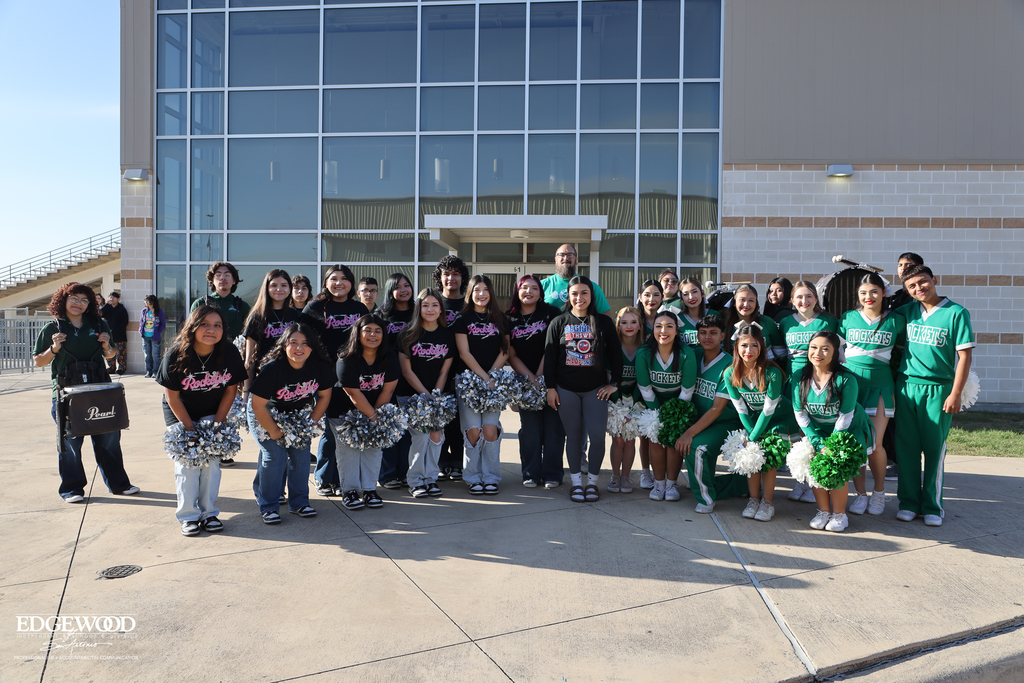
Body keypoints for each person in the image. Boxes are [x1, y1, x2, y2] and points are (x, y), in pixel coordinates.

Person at [33, 283, 138, 503]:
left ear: (90, 304)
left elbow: (110, 356)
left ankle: (119, 484)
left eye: (84, 300)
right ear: (63, 299)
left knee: (109, 438)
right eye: (74, 298)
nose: (78, 303)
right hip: (66, 393)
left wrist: (107, 346)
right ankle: (72, 489)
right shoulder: (53, 327)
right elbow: (38, 361)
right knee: (70, 442)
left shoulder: (99, 324)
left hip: (99, 390)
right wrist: (54, 348)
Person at [893, 265, 974, 527]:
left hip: (939, 389)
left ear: (934, 279)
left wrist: (956, 393)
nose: (919, 288)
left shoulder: (956, 313)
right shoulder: (907, 312)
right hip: (906, 387)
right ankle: (908, 503)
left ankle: (932, 505)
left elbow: (964, 356)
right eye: (912, 286)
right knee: (906, 449)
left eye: (923, 282)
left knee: (934, 449)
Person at [157, 305, 245, 536]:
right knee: (187, 464)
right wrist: (189, 428)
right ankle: (188, 516)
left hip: (212, 411)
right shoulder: (176, 353)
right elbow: (172, 396)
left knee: (210, 464)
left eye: (217, 325)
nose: (211, 330)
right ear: (193, 326)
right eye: (205, 324)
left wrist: (217, 424)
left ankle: (209, 513)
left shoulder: (229, 352)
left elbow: (230, 390)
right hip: (180, 411)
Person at [545, 275, 622, 503]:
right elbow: (549, 359)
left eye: (584, 293)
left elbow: (616, 357)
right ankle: (576, 484)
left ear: (592, 295)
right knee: (574, 437)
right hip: (566, 389)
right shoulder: (559, 322)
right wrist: (551, 388)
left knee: (598, 437)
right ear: (568, 296)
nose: (579, 298)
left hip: (595, 390)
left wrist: (614, 384)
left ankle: (592, 484)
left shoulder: (604, 323)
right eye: (575, 293)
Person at [248, 323, 334, 524]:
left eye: (305, 343)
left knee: (302, 457)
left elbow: (324, 396)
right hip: (265, 414)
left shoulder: (320, 367)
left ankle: (299, 503)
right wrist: (274, 431)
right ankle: (268, 506)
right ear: (284, 345)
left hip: (297, 416)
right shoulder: (273, 369)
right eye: (293, 342)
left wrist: (311, 422)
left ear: (312, 347)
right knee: (274, 456)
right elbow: (258, 405)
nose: (299, 348)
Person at [838, 273, 906, 516]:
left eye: (874, 291)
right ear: (858, 295)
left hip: (880, 384)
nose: (869, 297)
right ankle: (860, 495)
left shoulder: (896, 320)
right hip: (853, 385)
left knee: (875, 444)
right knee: (856, 442)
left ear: (884, 292)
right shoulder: (847, 318)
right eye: (864, 292)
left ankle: (879, 493)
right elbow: (836, 351)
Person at [794, 331, 876, 533]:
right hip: (817, 430)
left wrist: (831, 445)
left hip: (848, 429)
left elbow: (846, 416)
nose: (818, 353)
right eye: (813, 347)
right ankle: (823, 511)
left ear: (834, 352)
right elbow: (800, 414)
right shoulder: (799, 377)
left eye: (825, 348)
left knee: (835, 463)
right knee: (812, 461)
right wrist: (818, 443)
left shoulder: (846, 379)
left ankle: (840, 514)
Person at [299, 265, 369, 496]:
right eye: (334, 279)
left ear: (351, 283)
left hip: (351, 376)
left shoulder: (359, 308)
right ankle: (323, 477)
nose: (339, 283)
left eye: (344, 279)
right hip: (325, 376)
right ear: (326, 283)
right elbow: (301, 338)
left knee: (346, 427)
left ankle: (341, 479)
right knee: (330, 430)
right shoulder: (315, 307)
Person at [674, 315, 749, 513]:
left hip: (724, 422)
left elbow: (717, 408)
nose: (707, 337)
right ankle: (737, 486)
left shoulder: (729, 364)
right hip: (700, 420)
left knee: (696, 447)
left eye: (713, 333)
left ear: (722, 336)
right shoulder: (693, 355)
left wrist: (689, 433)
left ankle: (706, 498)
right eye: (703, 332)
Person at [723, 324, 798, 521]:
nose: (749, 351)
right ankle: (753, 499)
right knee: (751, 456)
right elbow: (741, 409)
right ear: (736, 348)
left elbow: (768, 410)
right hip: (753, 421)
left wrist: (753, 438)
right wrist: (749, 435)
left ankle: (767, 502)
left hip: (779, 418)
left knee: (768, 458)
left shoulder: (772, 372)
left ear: (762, 347)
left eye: (754, 346)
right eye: (744, 346)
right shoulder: (730, 374)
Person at [330, 314, 400, 510]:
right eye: (367, 330)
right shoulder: (346, 358)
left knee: (374, 448)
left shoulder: (390, 357)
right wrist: (373, 417)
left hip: (375, 408)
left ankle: (370, 490)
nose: (373, 335)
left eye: (378, 331)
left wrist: (375, 418)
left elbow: (388, 389)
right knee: (349, 452)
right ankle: (350, 492)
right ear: (357, 333)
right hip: (343, 412)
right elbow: (353, 393)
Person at [451, 275, 510, 495]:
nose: (481, 294)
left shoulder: (501, 319)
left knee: (490, 430)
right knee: (473, 431)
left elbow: (506, 350)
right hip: (468, 381)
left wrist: (492, 376)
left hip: (494, 381)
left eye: (485, 290)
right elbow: (464, 352)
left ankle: (491, 476)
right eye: (477, 290)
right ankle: (473, 476)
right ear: (470, 293)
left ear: (491, 293)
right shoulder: (461, 319)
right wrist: (484, 378)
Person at [506, 274, 565, 488]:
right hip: (525, 382)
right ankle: (530, 473)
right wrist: (530, 378)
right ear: (517, 291)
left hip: (551, 380)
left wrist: (541, 376)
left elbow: (553, 347)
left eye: (534, 288)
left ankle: (552, 474)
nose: (529, 291)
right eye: (524, 287)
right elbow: (510, 353)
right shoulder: (509, 318)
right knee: (530, 430)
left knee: (553, 429)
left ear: (541, 292)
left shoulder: (551, 313)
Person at [397, 290, 456, 498]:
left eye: (434, 305)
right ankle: (415, 481)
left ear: (441, 308)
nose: (430, 309)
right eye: (425, 305)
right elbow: (406, 371)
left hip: (438, 395)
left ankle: (430, 478)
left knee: (436, 436)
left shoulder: (447, 335)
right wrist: (425, 395)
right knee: (421, 437)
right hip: (411, 396)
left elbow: (444, 370)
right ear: (418, 308)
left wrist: (436, 395)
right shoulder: (407, 334)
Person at [241, 270, 301, 471]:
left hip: (290, 385)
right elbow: (249, 359)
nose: (279, 289)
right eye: (274, 285)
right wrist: (247, 390)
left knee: (284, 443)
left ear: (289, 289)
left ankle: (271, 486)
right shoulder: (257, 316)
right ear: (266, 288)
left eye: (284, 285)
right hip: (264, 386)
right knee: (269, 442)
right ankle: (266, 488)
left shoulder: (296, 316)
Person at [635, 310, 697, 502]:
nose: (664, 330)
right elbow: (645, 387)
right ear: (653, 329)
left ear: (677, 330)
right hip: (652, 403)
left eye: (669, 326)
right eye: (659, 326)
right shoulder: (644, 353)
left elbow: (687, 390)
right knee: (655, 439)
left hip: (679, 405)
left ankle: (671, 483)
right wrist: (658, 415)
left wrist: (672, 417)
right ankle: (659, 482)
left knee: (672, 441)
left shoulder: (687, 353)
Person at [432, 255, 470, 480]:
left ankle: (458, 460)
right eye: (446, 273)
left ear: (462, 277)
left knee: (459, 420)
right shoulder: (433, 303)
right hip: (435, 370)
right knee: (438, 417)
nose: (451, 278)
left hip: (464, 371)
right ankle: (440, 460)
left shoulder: (469, 304)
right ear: (440, 278)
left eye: (456, 273)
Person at [377, 272, 415, 489]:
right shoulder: (382, 315)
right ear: (390, 290)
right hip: (388, 379)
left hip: (414, 377)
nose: (403, 289)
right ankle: (388, 474)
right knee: (390, 427)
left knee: (410, 430)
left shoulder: (419, 313)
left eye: (407, 285)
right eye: (398, 286)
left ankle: (405, 473)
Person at [608, 306, 643, 493]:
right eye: (624, 322)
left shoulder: (645, 347)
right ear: (618, 325)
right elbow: (608, 378)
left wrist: (632, 404)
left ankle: (626, 478)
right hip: (614, 400)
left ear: (639, 325)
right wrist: (619, 405)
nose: (628, 326)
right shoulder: (611, 345)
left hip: (637, 399)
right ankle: (615, 476)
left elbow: (644, 381)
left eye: (633, 322)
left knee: (630, 439)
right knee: (618, 439)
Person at [778, 280, 838, 381]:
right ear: (792, 300)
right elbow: (781, 353)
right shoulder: (785, 322)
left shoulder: (830, 321)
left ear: (816, 298)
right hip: (793, 378)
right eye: (799, 297)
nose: (804, 301)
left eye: (809, 296)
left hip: (822, 378)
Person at [540, 244, 611, 314]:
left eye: (570, 255)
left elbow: (605, 317)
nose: (565, 258)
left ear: (576, 260)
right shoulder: (542, 286)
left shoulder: (591, 286)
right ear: (555, 259)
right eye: (561, 255)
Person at [190, 261, 251, 341]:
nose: (222, 278)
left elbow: (251, 335)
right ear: (212, 280)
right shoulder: (200, 303)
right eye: (218, 275)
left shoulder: (242, 306)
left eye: (227, 275)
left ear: (234, 281)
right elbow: (190, 331)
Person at [723, 284, 785, 361]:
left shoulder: (767, 322)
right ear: (734, 302)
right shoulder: (725, 324)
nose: (746, 305)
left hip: (765, 370)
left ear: (756, 303)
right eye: (742, 300)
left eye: (751, 300)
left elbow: (781, 354)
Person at [676, 278, 719, 349]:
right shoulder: (678, 318)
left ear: (702, 293)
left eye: (694, 292)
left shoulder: (713, 314)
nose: (691, 297)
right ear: (682, 297)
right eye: (686, 294)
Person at [100, 291, 129, 375]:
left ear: (118, 299)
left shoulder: (121, 309)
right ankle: (111, 367)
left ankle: (122, 368)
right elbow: (101, 314)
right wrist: (106, 304)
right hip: (109, 335)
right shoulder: (107, 308)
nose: (111, 299)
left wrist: (116, 330)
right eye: (110, 297)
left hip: (119, 335)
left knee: (121, 353)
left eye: (113, 297)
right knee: (109, 351)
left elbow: (124, 322)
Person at [139, 294, 166, 379]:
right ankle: (148, 371)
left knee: (155, 355)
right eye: (145, 301)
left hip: (155, 337)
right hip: (145, 336)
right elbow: (141, 322)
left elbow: (163, 324)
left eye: (148, 301)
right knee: (147, 355)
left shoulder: (159, 311)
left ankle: (156, 371)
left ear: (153, 302)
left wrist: (158, 332)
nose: (146, 303)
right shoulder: (144, 311)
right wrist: (140, 331)